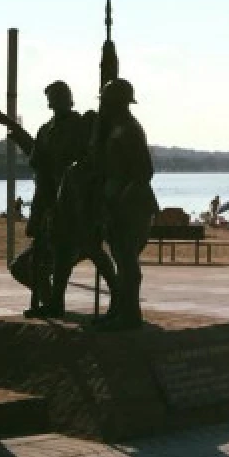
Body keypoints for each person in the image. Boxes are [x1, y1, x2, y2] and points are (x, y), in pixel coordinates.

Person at [0, 80, 92, 316]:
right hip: (47, 202)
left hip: (71, 203)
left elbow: (90, 159)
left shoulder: (81, 126)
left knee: (63, 256)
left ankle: (54, 304)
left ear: (69, 98)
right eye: (53, 97)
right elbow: (36, 153)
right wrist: (13, 128)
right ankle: (50, 303)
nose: (57, 101)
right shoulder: (46, 129)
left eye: (61, 96)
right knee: (25, 266)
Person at [90, 78, 159, 330]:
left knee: (127, 262)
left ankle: (129, 314)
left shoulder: (128, 130)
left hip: (131, 206)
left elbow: (143, 173)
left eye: (106, 102)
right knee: (121, 260)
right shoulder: (115, 128)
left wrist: (119, 203)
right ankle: (119, 309)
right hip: (116, 203)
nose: (103, 107)